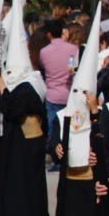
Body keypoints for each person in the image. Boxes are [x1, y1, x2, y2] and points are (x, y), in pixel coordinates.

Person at [0, 0, 51, 216]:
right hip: (19, 144)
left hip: (24, 146)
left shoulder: (28, 86)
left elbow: (15, 108)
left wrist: (3, 89)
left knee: (24, 190)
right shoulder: (29, 82)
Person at [48, 13, 102, 216]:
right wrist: (56, 147)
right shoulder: (62, 116)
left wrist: (94, 114)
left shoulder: (100, 118)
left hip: (89, 180)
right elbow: (52, 140)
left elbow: (105, 142)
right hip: (69, 179)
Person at [38, 17, 77, 158]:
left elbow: (44, 68)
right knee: (68, 128)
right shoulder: (73, 49)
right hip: (68, 93)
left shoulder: (44, 52)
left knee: (53, 129)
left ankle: (55, 155)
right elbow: (74, 68)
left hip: (52, 94)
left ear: (49, 34)